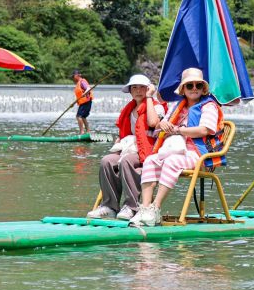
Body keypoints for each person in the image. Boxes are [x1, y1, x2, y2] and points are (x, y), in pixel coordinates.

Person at [130, 68, 225, 227]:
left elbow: (205, 130)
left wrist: (178, 130)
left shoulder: (209, 106)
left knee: (173, 161)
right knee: (151, 160)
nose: (194, 88)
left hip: (199, 154)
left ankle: (155, 208)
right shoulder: (177, 106)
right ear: (183, 89)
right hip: (174, 149)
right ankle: (145, 208)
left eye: (198, 85)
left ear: (203, 88)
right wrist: (163, 124)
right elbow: (160, 127)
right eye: (189, 86)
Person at [87, 74, 166, 220]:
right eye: (134, 87)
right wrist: (117, 145)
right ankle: (109, 206)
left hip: (149, 151)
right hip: (130, 148)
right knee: (107, 160)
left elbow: (153, 122)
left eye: (142, 87)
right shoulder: (129, 109)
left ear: (148, 89)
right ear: (130, 91)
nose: (138, 90)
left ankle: (131, 206)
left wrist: (149, 97)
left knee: (126, 161)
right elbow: (125, 134)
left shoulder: (156, 106)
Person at [72, 70, 92, 134]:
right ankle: (88, 132)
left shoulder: (82, 81)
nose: (73, 78)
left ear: (77, 75)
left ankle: (82, 132)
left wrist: (85, 93)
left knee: (78, 116)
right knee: (83, 117)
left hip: (86, 101)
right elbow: (79, 95)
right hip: (84, 102)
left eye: (73, 76)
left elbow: (88, 88)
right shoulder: (78, 83)